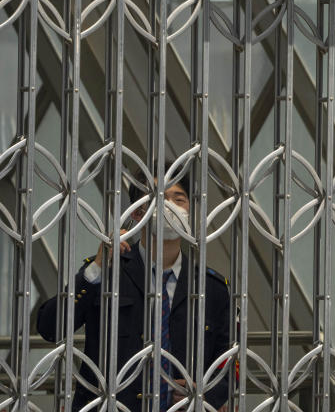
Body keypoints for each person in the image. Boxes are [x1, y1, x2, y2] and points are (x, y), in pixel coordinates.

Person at [37, 171, 232, 411]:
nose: (169, 207)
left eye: (178, 199)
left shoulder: (210, 288)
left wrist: (204, 397)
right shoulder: (108, 272)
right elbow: (50, 328)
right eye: (158, 199)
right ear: (138, 212)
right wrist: (96, 268)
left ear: (190, 210)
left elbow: (228, 361)